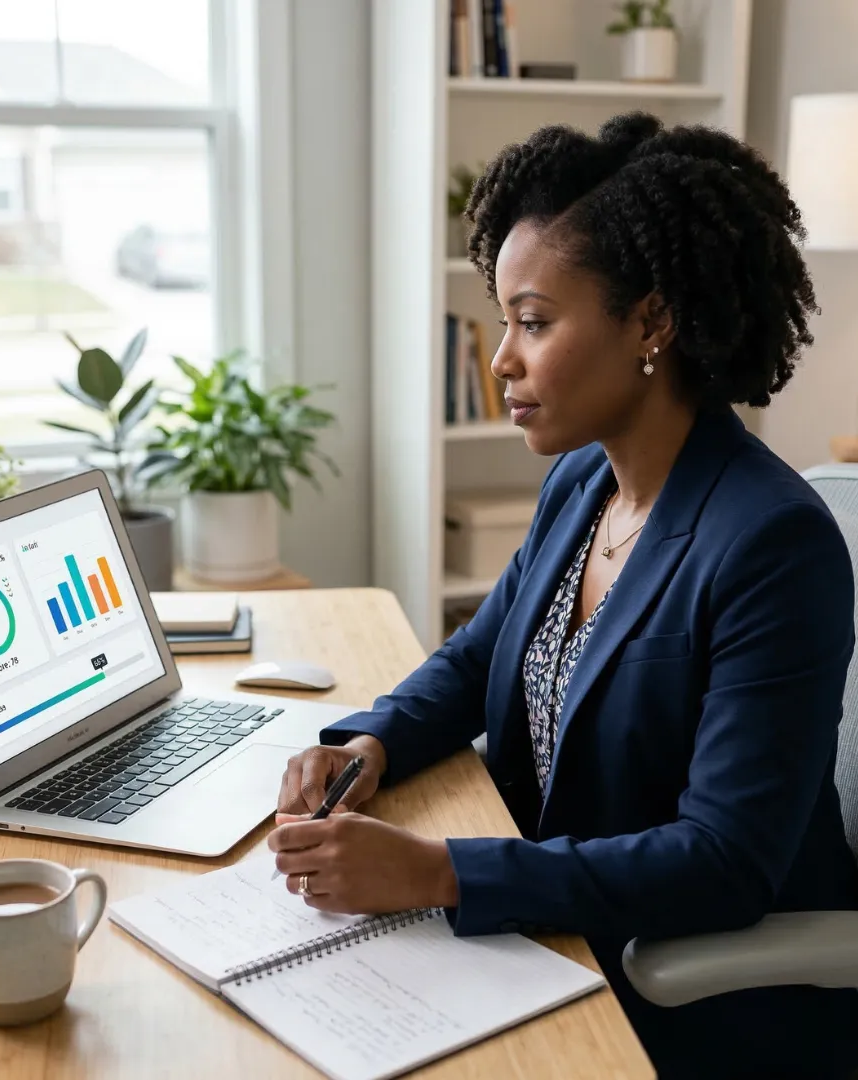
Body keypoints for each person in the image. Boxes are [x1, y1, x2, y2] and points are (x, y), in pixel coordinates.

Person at [269, 112, 858, 1079]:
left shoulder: (772, 543)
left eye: (533, 322)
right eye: (504, 321)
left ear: (652, 323)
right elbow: (478, 658)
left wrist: (438, 871)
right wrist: (368, 741)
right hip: (558, 935)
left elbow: (723, 861)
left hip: (695, 998)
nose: (502, 358)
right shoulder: (584, 484)